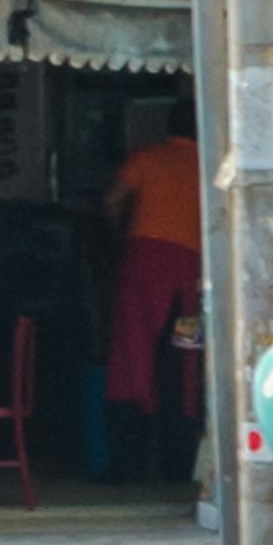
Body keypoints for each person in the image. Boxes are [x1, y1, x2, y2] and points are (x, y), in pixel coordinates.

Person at [95, 114, 204, 477]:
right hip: (192, 269)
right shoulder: (208, 165)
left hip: (147, 261)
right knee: (186, 357)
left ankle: (127, 459)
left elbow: (112, 201)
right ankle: (178, 460)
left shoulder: (147, 158)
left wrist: (116, 233)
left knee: (133, 351)